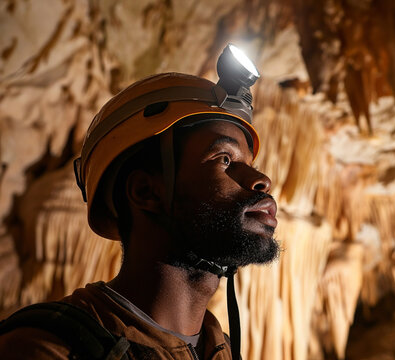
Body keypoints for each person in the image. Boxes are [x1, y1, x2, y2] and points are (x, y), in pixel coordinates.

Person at [0, 45, 280, 359]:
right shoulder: (50, 347)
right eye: (225, 159)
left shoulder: (222, 349)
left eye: (251, 163)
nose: (261, 180)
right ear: (146, 192)